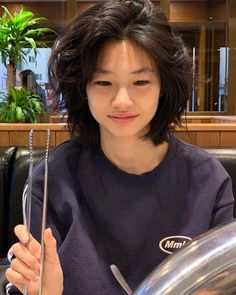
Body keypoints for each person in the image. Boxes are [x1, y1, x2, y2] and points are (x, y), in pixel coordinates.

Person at [5, 0, 234, 294]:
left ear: (163, 86)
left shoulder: (207, 181)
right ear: (82, 88)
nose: (122, 100)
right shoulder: (51, 178)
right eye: (103, 82)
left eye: (140, 81)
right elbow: (32, 280)